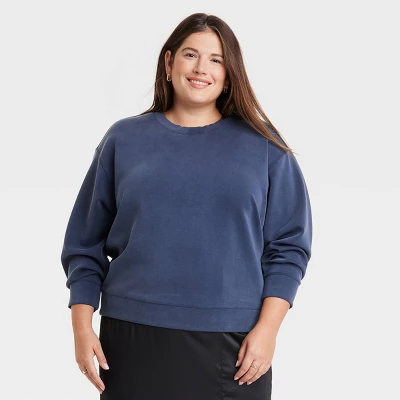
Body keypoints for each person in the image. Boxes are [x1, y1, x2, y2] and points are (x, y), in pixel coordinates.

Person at [61, 12, 313, 400]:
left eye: (216, 60)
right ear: (169, 62)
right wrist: (81, 328)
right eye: (190, 55)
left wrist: (268, 330)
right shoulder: (123, 140)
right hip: (132, 338)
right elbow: (84, 243)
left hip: (234, 346)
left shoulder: (265, 147)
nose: (201, 69)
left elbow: (289, 248)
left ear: (230, 73)